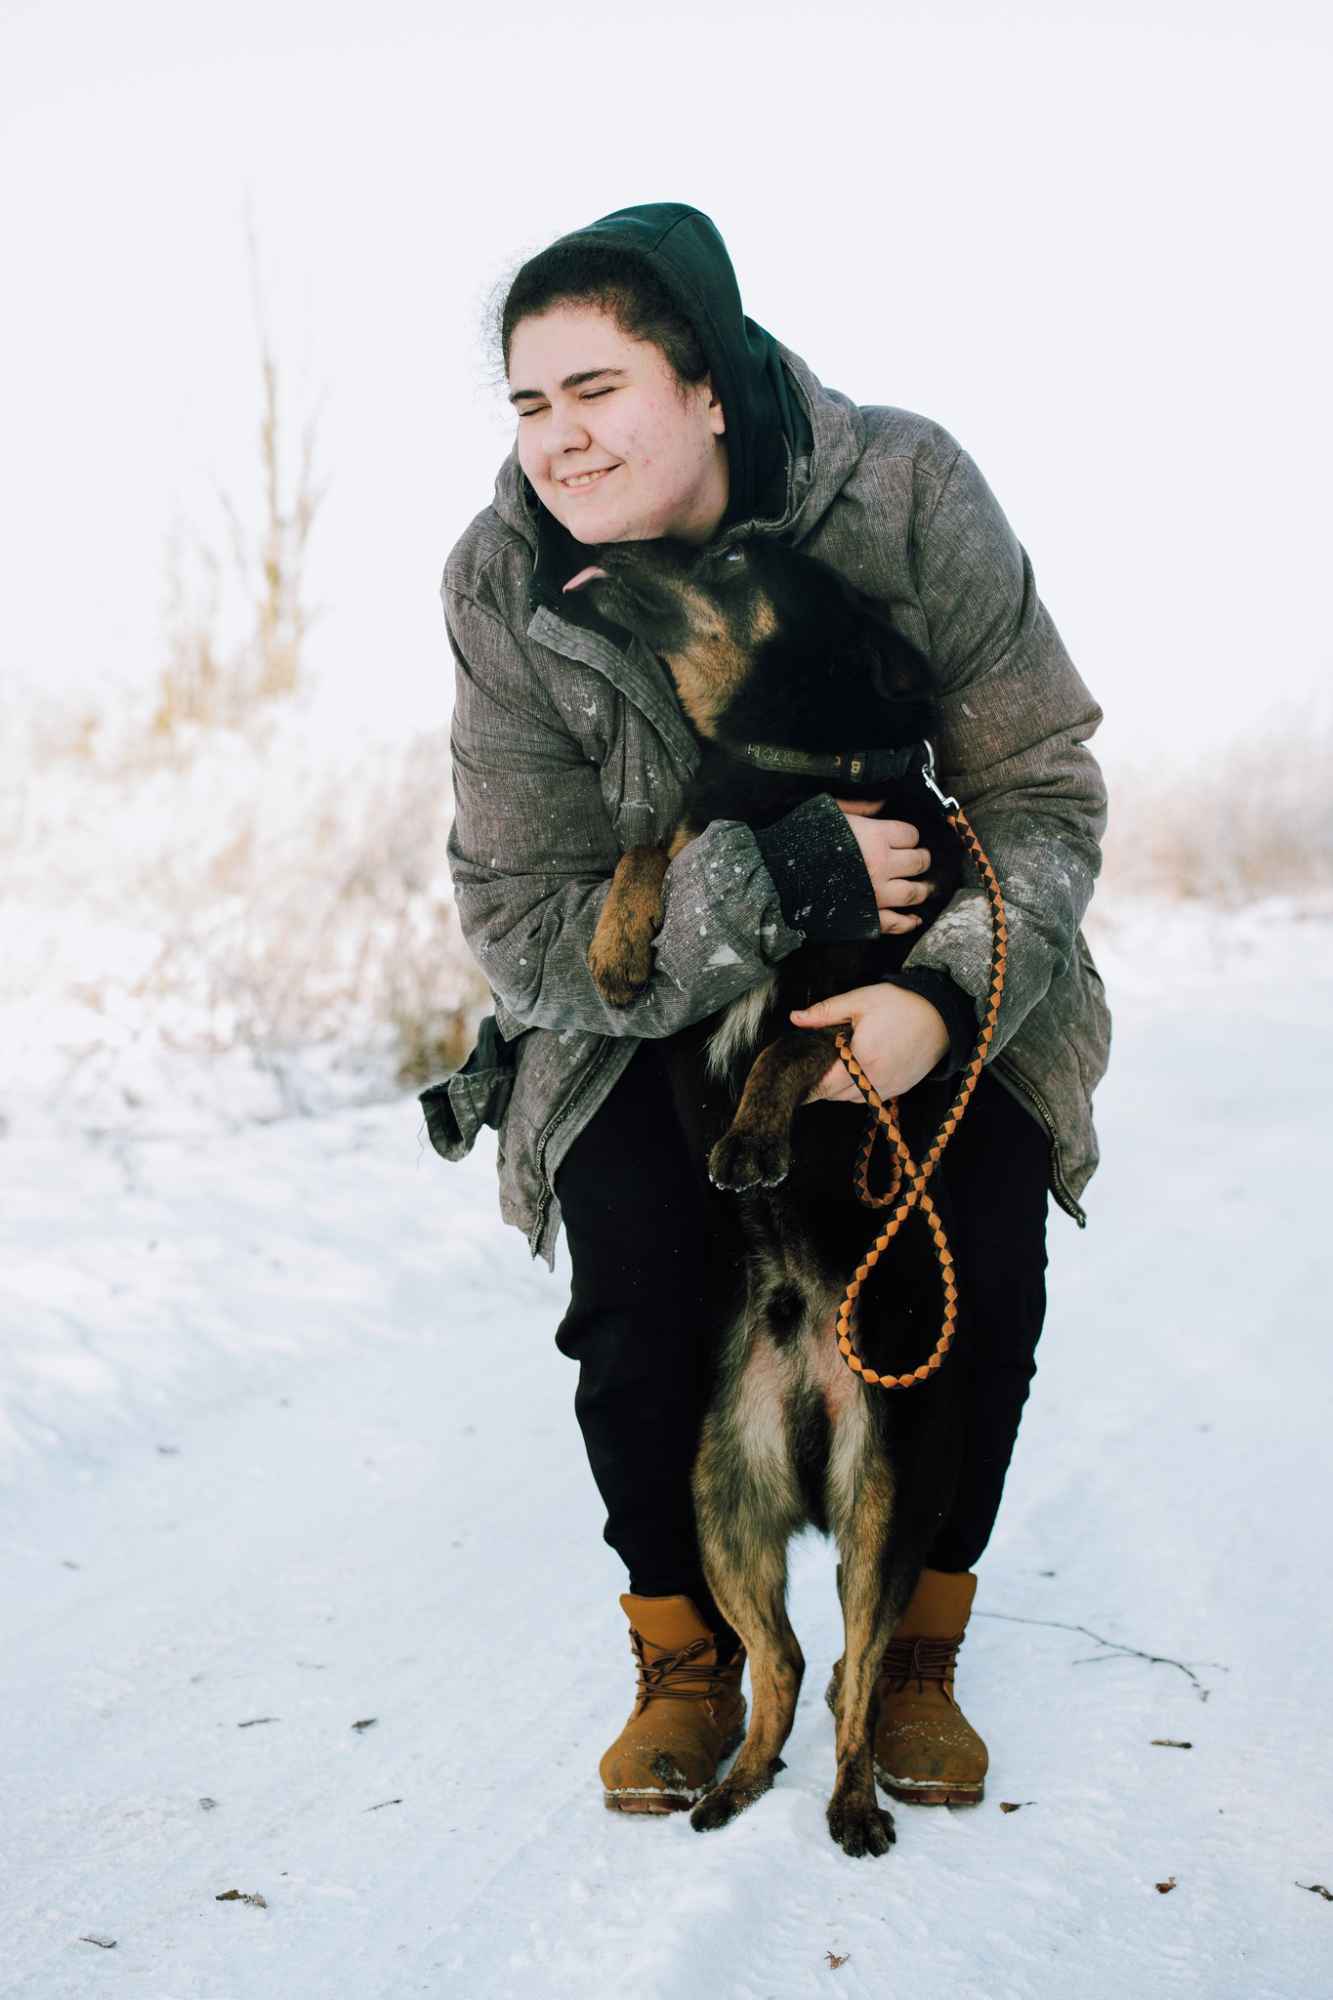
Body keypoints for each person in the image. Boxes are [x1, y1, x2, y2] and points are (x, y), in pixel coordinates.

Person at [428, 201, 1111, 1815]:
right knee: (641, 1286)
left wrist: (943, 1003)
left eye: (598, 390)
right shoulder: (505, 583)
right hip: (644, 998)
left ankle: (917, 1647)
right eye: (529, 404)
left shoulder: (901, 490)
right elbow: (518, 923)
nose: (561, 440)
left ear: (711, 386)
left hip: (935, 960)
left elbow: (1038, 790)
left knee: (978, 1268)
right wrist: (767, 886)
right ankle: (682, 1652)